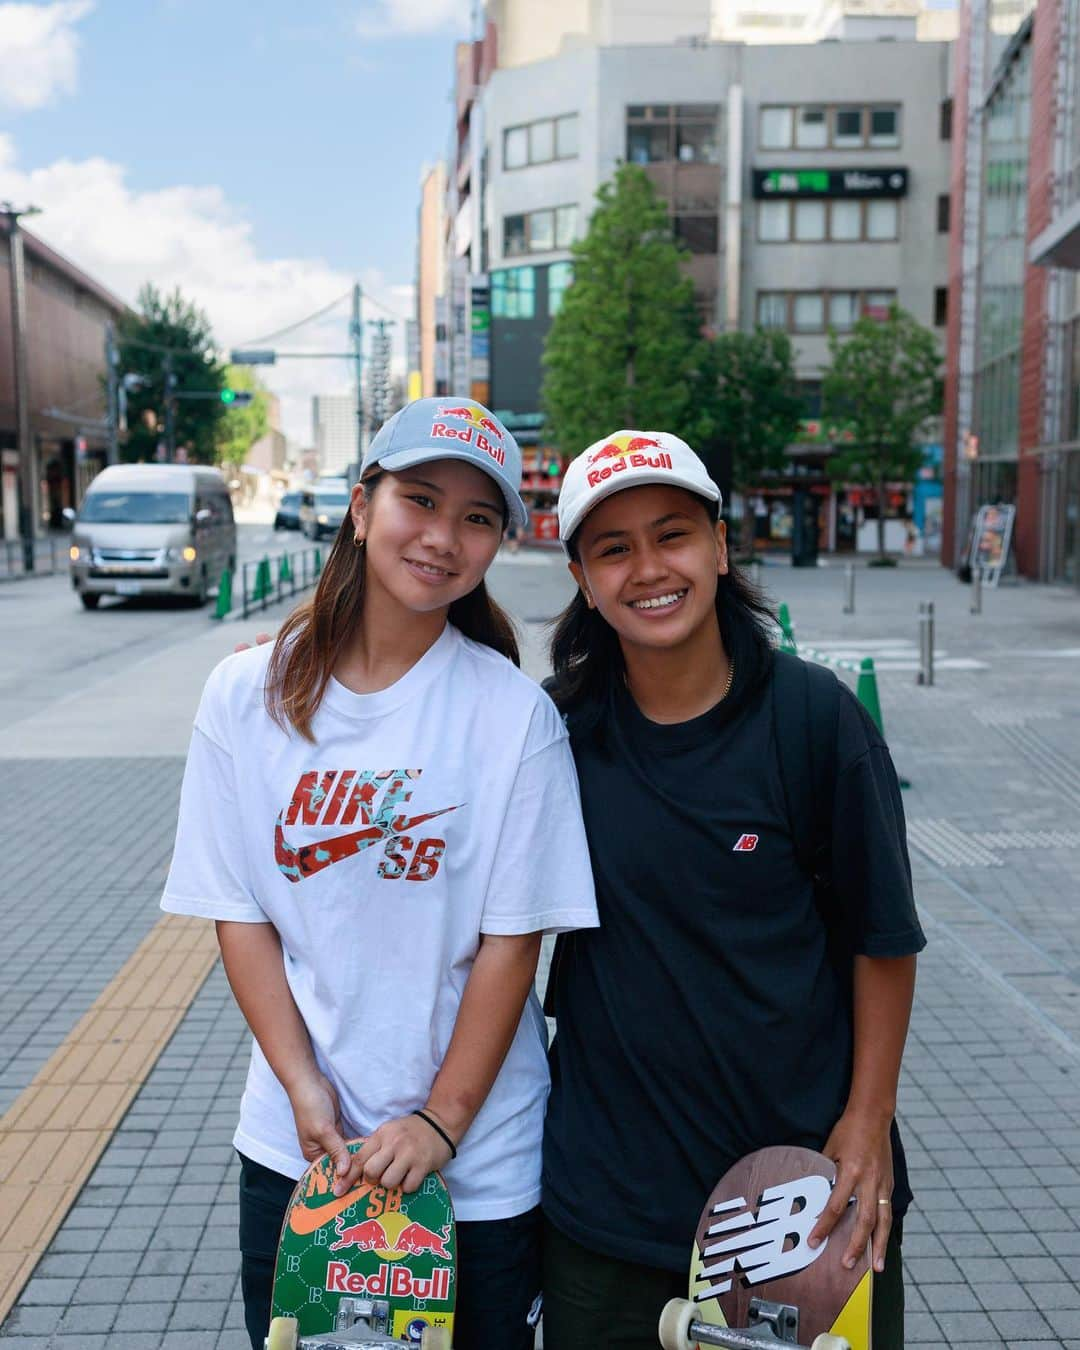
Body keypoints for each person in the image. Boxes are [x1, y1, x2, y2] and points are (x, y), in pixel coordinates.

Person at [160, 398, 598, 1350]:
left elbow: (510, 943)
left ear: (495, 547)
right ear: (362, 507)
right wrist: (301, 1087)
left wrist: (440, 1122)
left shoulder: (513, 718)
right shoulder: (246, 695)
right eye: (420, 500)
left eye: (478, 518)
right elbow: (240, 913)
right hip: (297, 1150)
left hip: (474, 1170)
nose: (443, 537)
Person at [540, 431, 924, 1350]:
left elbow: (884, 939)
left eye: (671, 534)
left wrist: (866, 1123)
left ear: (719, 545)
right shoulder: (555, 734)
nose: (648, 569)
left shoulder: (812, 717)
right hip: (611, 1200)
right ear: (583, 578)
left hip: (803, 1198)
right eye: (613, 548)